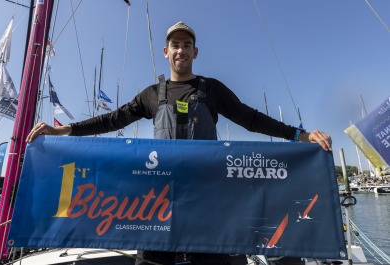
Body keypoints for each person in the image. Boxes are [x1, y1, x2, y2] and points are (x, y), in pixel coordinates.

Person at [26, 21, 332, 265]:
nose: (181, 50)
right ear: (166, 51)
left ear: (195, 52)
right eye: (176, 45)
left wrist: (300, 135)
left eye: (187, 45)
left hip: (209, 203)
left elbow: (250, 119)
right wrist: (63, 130)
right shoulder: (150, 94)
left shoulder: (211, 89)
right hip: (158, 204)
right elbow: (112, 120)